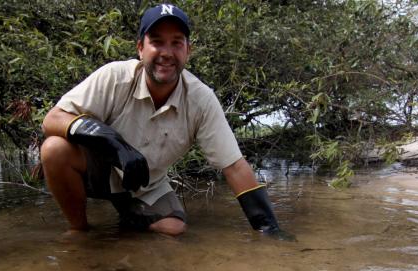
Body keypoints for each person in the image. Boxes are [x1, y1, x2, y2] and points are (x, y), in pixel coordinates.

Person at [41, 3, 284, 237]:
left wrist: (269, 229)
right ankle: (79, 230)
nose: (166, 53)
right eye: (157, 42)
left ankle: (130, 216)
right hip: (100, 170)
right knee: (54, 149)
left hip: (147, 185)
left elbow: (234, 166)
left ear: (188, 51)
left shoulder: (201, 100)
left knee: (173, 228)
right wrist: (113, 143)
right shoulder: (115, 76)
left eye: (176, 43)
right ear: (140, 48)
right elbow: (52, 119)